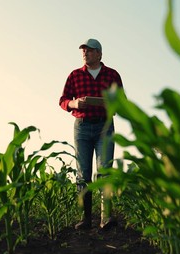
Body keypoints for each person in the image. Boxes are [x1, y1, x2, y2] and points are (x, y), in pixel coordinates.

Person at [59, 38, 123, 230]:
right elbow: (63, 100)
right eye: (83, 50)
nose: (85, 53)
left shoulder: (112, 75)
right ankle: (86, 218)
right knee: (83, 173)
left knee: (104, 170)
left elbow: (122, 102)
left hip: (105, 126)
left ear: (100, 54)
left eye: (90, 50)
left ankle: (105, 218)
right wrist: (74, 103)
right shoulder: (75, 75)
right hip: (82, 127)